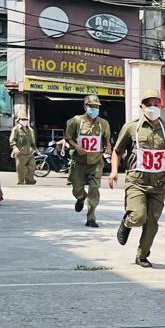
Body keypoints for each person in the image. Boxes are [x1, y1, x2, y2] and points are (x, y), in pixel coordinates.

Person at [108, 89, 165, 268]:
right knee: (138, 216)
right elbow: (117, 151)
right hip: (137, 181)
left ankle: (142, 255)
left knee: (152, 223)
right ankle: (127, 223)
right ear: (141, 106)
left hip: (158, 183)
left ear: (161, 106)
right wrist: (113, 172)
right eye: (148, 104)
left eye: (156, 104)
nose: (153, 107)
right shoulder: (132, 127)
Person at [64, 95, 112, 228]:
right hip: (78, 162)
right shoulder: (76, 121)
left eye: (97, 107)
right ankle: (80, 198)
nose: (94, 109)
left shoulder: (103, 124)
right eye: (92, 106)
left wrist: (108, 147)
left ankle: (91, 217)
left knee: (94, 189)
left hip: (96, 162)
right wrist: (76, 146)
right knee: (76, 189)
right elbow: (68, 137)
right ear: (85, 107)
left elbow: (107, 140)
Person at [8, 110, 37, 185]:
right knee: (20, 168)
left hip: (29, 152)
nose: (25, 121)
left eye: (26, 120)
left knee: (32, 166)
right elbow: (12, 140)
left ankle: (29, 180)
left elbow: (31, 141)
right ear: (19, 120)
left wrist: (35, 149)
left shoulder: (29, 130)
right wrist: (14, 148)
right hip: (20, 152)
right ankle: (21, 182)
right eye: (23, 119)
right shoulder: (16, 129)